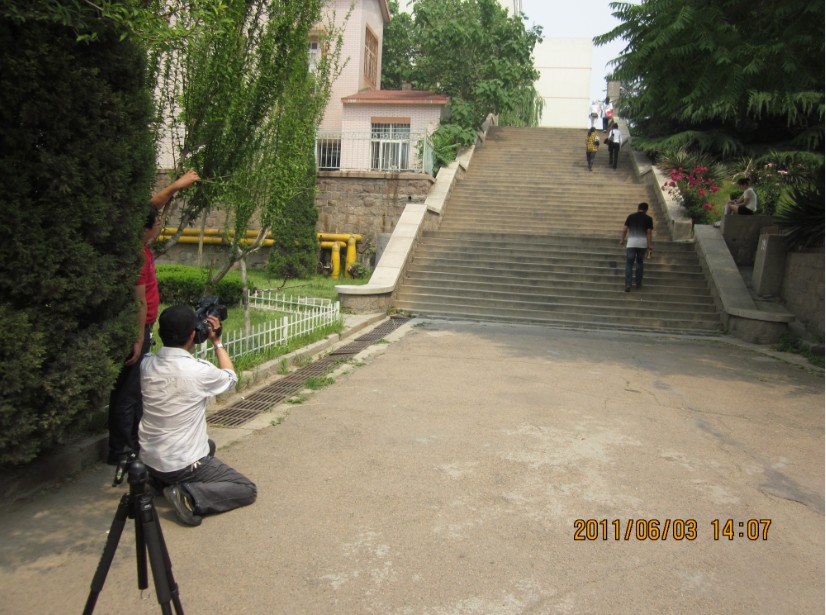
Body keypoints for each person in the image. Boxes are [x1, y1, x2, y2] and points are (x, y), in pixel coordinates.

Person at [107, 170, 201, 468]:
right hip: (140, 328)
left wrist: (175, 186)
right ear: (146, 229)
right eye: (156, 222)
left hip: (142, 328)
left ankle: (131, 444)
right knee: (128, 392)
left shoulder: (136, 240)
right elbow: (138, 300)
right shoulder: (136, 255)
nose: (159, 223)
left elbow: (151, 206)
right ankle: (123, 451)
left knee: (133, 389)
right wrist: (138, 338)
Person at [139, 305, 257, 526]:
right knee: (246, 489)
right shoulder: (199, 371)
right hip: (181, 464)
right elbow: (231, 379)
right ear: (194, 334)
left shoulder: (146, 364)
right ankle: (188, 496)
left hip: (149, 458)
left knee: (208, 445)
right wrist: (217, 342)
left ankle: (156, 482)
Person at [620, 202, 654, 292]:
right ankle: (638, 283)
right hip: (642, 244)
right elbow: (649, 232)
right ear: (646, 210)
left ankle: (628, 284)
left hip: (631, 243)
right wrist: (649, 245)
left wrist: (622, 240)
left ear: (638, 208)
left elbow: (624, 229)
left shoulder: (631, 216)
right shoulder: (648, 218)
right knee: (640, 262)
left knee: (629, 264)